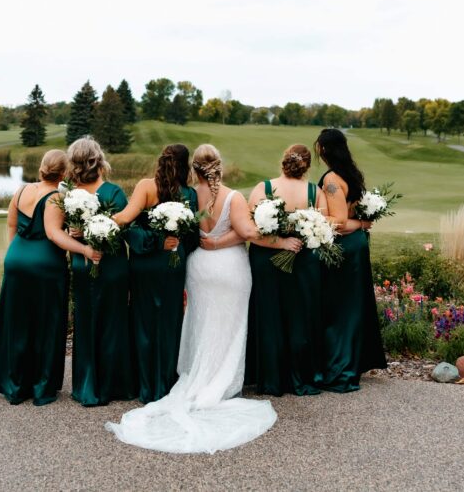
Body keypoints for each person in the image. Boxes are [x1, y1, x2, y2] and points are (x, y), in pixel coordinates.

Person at [105, 144, 277, 454]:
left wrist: (98, 222)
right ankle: (219, 381)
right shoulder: (215, 195)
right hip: (224, 267)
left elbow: (155, 227)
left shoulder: (187, 194)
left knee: (196, 323)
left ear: (194, 169)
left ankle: (173, 379)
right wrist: (274, 229)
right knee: (225, 325)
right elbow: (247, 231)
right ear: (217, 166)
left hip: (196, 269)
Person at [113, 144, 198, 403]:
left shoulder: (146, 186)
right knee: (170, 321)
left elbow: (125, 220)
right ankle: (167, 382)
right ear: (185, 166)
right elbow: (192, 236)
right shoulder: (190, 194)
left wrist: (99, 222)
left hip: (146, 265)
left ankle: (145, 385)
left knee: (144, 321)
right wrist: (174, 245)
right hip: (173, 263)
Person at [0, 149, 71, 405]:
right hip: (45, 266)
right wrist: (83, 247)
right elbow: (55, 235)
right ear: (64, 173)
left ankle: (14, 384)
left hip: (16, 260)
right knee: (45, 324)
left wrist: (16, 255)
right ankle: (41, 385)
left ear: (43, 167)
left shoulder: (21, 190)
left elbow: (12, 225)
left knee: (18, 323)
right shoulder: (57, 197)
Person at [55, 137, 135, 406]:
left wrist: (73, 232)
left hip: (83, 263)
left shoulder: (69, 194)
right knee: (112, 322)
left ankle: (88, 386)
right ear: (98, 160)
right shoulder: (114, 192)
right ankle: (114, 386)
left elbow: (62, 229)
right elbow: (126, 230)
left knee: (87, 322)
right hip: (110, 264)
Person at [245, 144, 324, 396]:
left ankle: (270, 380)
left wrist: (278, 241)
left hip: (265, 260)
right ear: (307, 166)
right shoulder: (315, 192)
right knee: (299, 317)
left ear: (283, 161)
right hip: (303, 259)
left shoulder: (263, 188)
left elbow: (250, 230)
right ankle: (299, 377)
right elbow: (324, 227)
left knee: (269, 316)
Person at [314, 128, 387, 392]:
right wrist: (362, 223)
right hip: (356, 246)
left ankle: (340, 369)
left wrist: (311, 220)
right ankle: (351, 362)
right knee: (352, 305)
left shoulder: (333, 179)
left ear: (323, 148)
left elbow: (340, 223)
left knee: (340, 308)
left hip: (344, 247)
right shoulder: (352, 174)